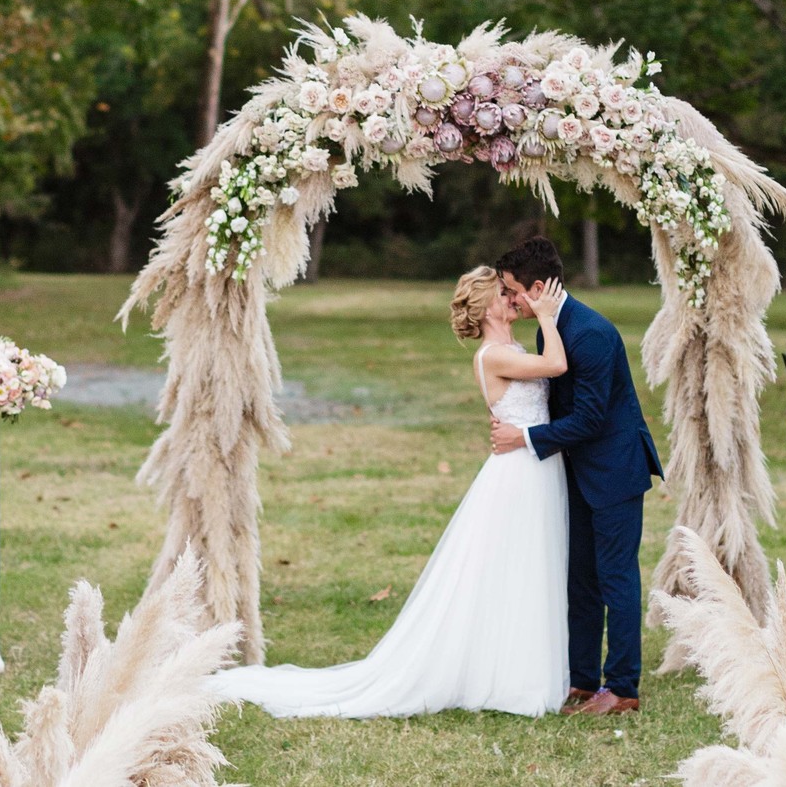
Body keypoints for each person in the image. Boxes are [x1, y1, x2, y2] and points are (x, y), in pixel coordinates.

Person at [207, 266, 571, 717]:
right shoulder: (493, 355)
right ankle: (510, 681)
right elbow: (556, 365)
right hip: (518, 472)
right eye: (503, 292)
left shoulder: (511, 348)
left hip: (532, 463)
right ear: (486, 307)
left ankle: (515, 669)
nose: (513, 297)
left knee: (523, 568)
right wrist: (550, 318)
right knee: (513, 567)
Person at [490, 236, 663, 715]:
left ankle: (623, 686)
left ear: (539, 286)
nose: (508, 301)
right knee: (580, 580)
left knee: (615, 580)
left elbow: (587, 418)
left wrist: (523, 439)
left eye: (512, 291)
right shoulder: (553, 325)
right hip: (579, 472)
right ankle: (583, 680)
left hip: (613, 473)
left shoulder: (588, 332)